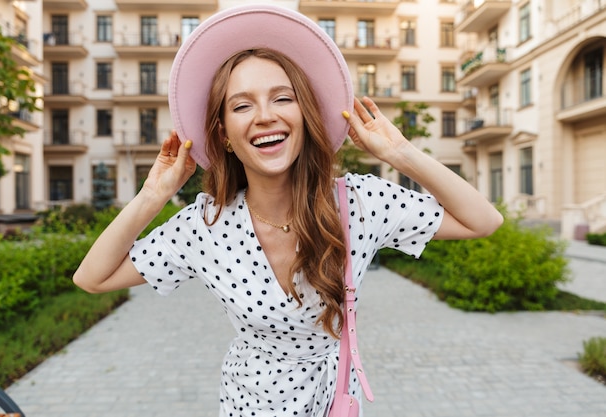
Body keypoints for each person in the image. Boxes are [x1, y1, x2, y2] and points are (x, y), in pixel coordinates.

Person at [73, 5, 503, 416]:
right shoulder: (204, 225)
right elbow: (91, 278)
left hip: (334, 402)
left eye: (283, 98)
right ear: (224, 134)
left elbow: (483, 220)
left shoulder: (358, 203)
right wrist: (153, 195)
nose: (264, 116)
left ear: (305, 114)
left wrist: (400, 153)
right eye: (242, 105)